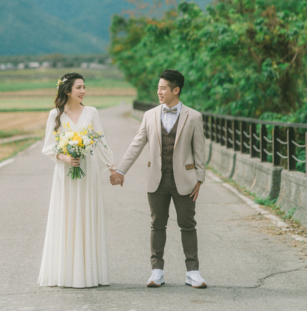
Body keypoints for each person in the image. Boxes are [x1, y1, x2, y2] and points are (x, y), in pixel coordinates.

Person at [110, 69, 207, 289]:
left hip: (185, 180)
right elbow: (137, 144)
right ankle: (157, 271)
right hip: (156, 179)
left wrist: (199, 179)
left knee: (188, 226)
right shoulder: (149, 115)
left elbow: (200, 150)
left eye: (163, 88)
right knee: (157, 225)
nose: (159, 92)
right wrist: (120, 170)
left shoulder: (194, 116)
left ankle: (193, 272)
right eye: (158, 87)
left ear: (176, 90)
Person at [38, 73, 116, 288]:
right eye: (78, 87)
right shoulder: (55, 114)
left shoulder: (92, 112)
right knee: (67, 216)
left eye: (84, 87)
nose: (83, 91)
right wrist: (64, 157)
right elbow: (48, 146)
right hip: (65, 174)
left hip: (87, 172)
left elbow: (100, 142)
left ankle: (89, 273)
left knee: (86, 216)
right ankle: (64, 273)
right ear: (67, 91)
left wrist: (112, 167)